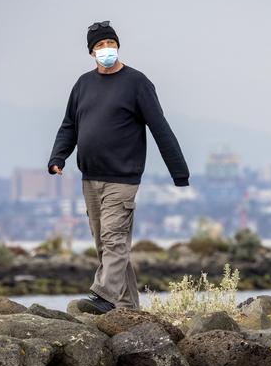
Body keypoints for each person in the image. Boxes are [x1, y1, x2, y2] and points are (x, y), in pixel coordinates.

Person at [47, 20, 190, 314]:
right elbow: (69, 126)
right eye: (99, 45)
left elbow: (159, 127)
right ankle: (127, 309)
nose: (106, 49)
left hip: (122, 178)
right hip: (90, 177)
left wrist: (179, 172)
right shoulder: (83, 84)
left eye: (109, 43)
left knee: (113, 239)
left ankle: (105, 296)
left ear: (117, 45)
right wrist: (57, 158)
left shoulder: (137, 83)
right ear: (91, 52)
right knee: (107, 243)